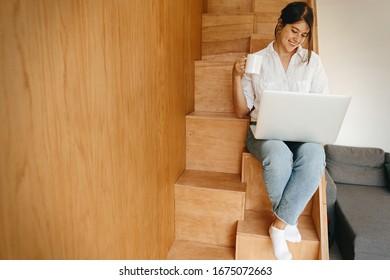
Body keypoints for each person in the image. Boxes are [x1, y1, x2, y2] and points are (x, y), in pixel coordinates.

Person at [232, 2, 329, 260]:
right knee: (277, 155)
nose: (297, 39)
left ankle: (280, 225)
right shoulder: (258, 60)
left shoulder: (313, 62)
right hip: (263, 133)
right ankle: (290, 219)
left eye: (304, 35)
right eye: (294, 31)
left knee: (315, 157)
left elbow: (322, 104)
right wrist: (236, 77)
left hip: (301, 134)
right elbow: (243, 111)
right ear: (280, 24)